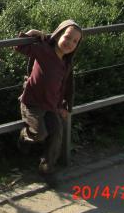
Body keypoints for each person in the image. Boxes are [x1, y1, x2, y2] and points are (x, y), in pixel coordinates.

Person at [15, 20, 82, 186]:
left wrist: (65, 106)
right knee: (40, 134)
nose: (70, 43)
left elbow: (67, 87)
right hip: (32, 103)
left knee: (57, 134)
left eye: (75, 41)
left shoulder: (67, 63)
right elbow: (19, 47)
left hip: (52, 106)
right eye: (67, 37)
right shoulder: (44, 50)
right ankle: (24, 138)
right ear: (58, 34)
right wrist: (30, 33)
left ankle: (47, 167)